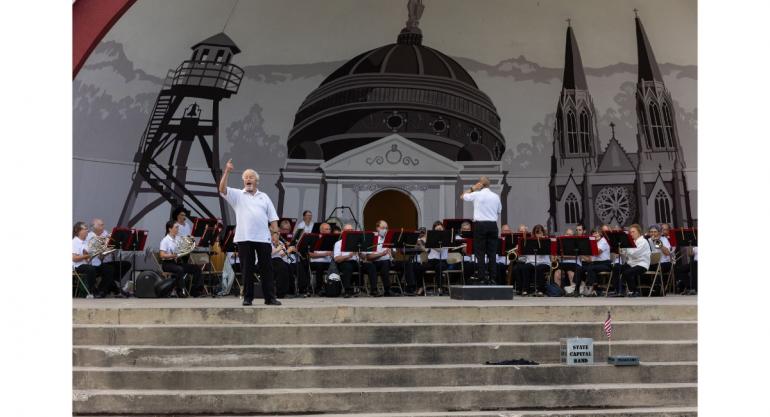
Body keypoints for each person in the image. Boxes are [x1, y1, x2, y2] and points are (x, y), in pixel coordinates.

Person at [219, 159, 281, 306]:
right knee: (247, 269)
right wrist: (227, 171)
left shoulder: (264, 196)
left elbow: (273, 218)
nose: (248, 179)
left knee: (267, 269)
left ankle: (270, 298)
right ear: (243, 181)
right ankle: (248, 298)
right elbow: (222, 189)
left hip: (263, 238)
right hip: (244, 237)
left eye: (251, 177)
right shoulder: (237, 195)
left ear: (256, 181)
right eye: (246, 177)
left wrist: (276, 234)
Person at [461, 176, 502, 284]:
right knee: (492, 253)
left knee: (480, 253)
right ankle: (493, 278)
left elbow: (463, 196)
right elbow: (499, 211)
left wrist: (473, 188)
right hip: (493, 225)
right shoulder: (496, 196)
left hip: (480, 225)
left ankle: (482, 278)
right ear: (489, 185)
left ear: (480, 184)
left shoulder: (476, 194)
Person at [159, 220, 204, 298]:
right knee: (180, 269)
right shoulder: (165, 240)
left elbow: (186, 245)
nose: (178, 229)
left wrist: (192, 244)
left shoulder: (177, 238)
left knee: (196, 268)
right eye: (176, 227)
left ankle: (195, 291)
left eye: (178, 228)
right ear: (170, 229)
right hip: (167, 264)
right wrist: (172, 256)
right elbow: (162, 255)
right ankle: (181, 291)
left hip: (176, 263)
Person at [87, 218, 131, 295]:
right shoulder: (90, 237)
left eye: (103, 225)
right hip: (95, 263)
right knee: (110, 269)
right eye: (101, 225)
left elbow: (111, 244)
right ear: (94, 227)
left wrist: (115, 245)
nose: (103, 227)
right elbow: (99, 256)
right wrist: (106, 251)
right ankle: (103, 290)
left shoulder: (105, 233)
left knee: (126, 264)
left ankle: (112, 285)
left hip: (107, 262)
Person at [516, 224, 550, 296]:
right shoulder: (529, 241)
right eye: (536, 232)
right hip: (531, 262)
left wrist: (543, 241)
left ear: (543, 233)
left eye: (540, 232)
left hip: (544, 263)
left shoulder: (546, 240)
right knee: (525, 267)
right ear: (533, 233)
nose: (538, 234)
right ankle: (525, 290)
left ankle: (541, 290)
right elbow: (522, 255)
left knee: (540, 268)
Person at [618, 224, 651, 297]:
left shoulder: (643, 241)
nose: (631, 234)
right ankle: (618, 290)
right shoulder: (631, 242)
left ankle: (634, 291)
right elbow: (625, 256)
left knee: (627, 273)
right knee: (617, 268)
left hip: (642, 264)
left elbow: (634, 253)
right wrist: (622, 250)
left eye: (633, 232)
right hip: (631, 263)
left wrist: (626, 248)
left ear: (639, 232)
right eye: (630, 232)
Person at [364, 220, 395, 296]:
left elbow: (394, 255)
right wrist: (381, 254)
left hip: (386, 262)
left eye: (387, 228)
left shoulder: (389, 238)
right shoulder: (372, 238)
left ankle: (387, 290)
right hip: (374, 262)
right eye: (383, 228)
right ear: (377, 228)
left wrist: (391, 249)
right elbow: (368, 257)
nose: (385, 230)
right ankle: (374, 290)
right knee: (373, 266)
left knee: (385, 263)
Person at [73, 221, 103, 298]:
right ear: (79, 231)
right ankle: (91, 291)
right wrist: (88, 256)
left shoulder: (85, 243)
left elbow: (87, 259)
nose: (87, 231)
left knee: (106, 269)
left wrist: (99, 252)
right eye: (85, 229)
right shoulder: (74, 242)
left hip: (85, 264)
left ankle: (103, 290)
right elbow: (74, 258)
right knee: (90, 269)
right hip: (77, 266)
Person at [334, 224, 363, 298]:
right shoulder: (338, 243)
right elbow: (337, 259)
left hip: (354, 262)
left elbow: (363, 256)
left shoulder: (357, 242)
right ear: (343, 232)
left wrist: (360, 253)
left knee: (370, 266)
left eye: (351, 230)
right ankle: (347, 290)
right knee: (348, 267)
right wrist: (348, 256)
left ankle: (373, 290)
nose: (350, 232)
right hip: (344, 262)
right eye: (348, 230)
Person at [583, 226, 612, 296]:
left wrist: (586, 248)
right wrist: (581, 254)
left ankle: (593, 288)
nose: (595, 235)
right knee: (580, 268)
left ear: (600, 234)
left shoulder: (604, 241)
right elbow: (590, 259)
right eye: (594, 233)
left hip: (605, 264)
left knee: (591, 268)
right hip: (595, 263)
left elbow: (597, 252)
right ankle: (577, 289)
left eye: (597, 233)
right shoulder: (594, 243)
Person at [553, 228, 582, 295]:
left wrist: (564, 256)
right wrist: (555, 257)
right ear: (564, 234)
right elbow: (556, 253)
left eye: (570, 235)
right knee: (557, 273)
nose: (568, 236)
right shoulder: (560, 242)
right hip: (563, 263)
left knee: (571, 273)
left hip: (574, 263)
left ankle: (573, 291)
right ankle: (558, 292)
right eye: (567, 234)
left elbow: (578, 256)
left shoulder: (576, 243)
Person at [307, 222, 333, 295]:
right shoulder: (314, 239)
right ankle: (319, 288)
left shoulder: (332, 239)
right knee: (320, 266)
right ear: (321, 230)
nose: (329, 231)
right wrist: (324, 254)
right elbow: (310, 254)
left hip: (328, 262)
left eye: (329, 229)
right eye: (326, 229)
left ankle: (333, 287)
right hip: (316, 262)